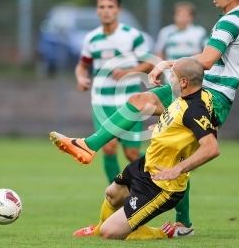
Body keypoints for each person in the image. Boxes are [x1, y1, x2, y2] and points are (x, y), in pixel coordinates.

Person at [50, 0, 239, 235]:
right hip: (193, 88)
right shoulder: (230, 17)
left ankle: (181, 223)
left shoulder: (232, 20)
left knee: (169, 155)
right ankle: (89, 145)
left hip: (210, 98)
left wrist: (166, 63)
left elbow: (205, 60)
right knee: (138, 101)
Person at [51, 57, 220, 240]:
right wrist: (165, 129)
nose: (168, 79)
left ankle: (163, 233)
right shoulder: (198, 96)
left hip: (161, 184)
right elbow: (212, 125)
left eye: (172, 75)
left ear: (184, 82)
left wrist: (177, 169)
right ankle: (99, 227)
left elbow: (211, 147)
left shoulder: (194, 109)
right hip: (146, 164)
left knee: (111, 233)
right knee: (112, 195)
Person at [72, 0, 152, 184]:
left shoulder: (132, 35)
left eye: (110, 6)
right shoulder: (91, 38)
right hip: (102, 103)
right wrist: (81, 79)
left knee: (132, 152)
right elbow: (82, 66)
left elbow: (149, 62)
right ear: (97, 10)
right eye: (101, 7)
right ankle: (116, 193)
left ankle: (152, 177)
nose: (106, 10)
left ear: (118, 10)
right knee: (108, 147)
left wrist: (128, 72)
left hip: (129, 102)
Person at [155, 1, 207, 81]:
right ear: (174, 16)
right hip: (171, 73)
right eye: (180, 15)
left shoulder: (199, 32)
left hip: (193, 73)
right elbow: (159, 52)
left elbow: (207, 51)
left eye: (186, 15)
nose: (183, 18)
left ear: (191, 17)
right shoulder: (166, 32)